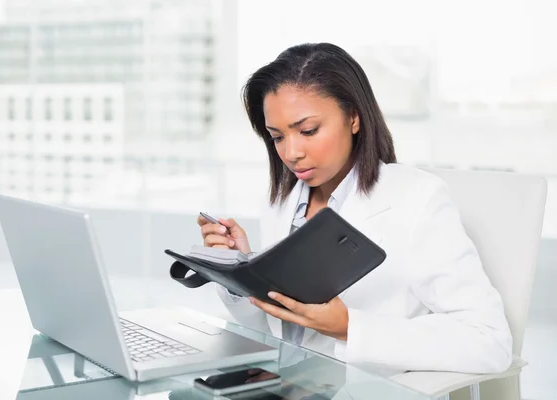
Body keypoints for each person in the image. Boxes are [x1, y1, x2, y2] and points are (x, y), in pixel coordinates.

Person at [197, 43, 512, 374]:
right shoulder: (281, 203)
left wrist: (350, 328)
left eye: (308, 130)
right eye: (277, 137)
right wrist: (241, 272)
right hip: (284, 385)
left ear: (353, 118)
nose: (291, 152)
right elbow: (279, 332)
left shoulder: (418, 199)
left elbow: (489, 342)